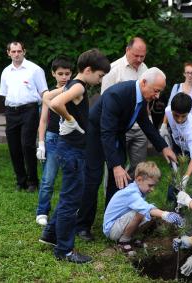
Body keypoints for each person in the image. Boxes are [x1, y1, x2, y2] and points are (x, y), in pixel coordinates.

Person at [75, 67, 177, 242]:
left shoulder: (141, 97)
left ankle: (112, 218)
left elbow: (145, 123)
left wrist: (163, 147)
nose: (157, 96)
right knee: (94, 178)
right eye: (156, 90)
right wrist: (115, 165)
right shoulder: (118, 94)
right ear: (144, 83)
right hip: (97, 135)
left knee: (119, 179)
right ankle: (83, 226)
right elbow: (106, 131)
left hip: (116, 134)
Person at [39, 49, 111, 264]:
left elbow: (46, 96)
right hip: (73, 152)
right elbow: (54, 104)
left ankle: (50, 235)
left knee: (68, 197)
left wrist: (66, 116)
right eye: (99, 76)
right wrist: (69, 119)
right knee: (72, 201)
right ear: (88, 70)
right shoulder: (78, 85)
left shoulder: (70, 84)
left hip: (67, 148)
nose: (100, 81)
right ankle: (65, 250)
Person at [103, 161, 184, 256]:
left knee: (148, 213)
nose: (152, 189)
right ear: (139, 179)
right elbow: (145, 208)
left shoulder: (138, 191)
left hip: (118, 225)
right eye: (150, 185)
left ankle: (129, 237)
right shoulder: (131, 193)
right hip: (111, 229)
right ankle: (123, 242)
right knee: (142, 212)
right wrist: (165, 214)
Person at [0, 41, 48, 192]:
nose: (16, 54)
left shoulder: (35, 70)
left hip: (29, 110)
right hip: (11, 112)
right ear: (8, 53)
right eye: (13, 52)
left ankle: (33, 182)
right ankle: (21, 182)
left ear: (24, 52)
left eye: (19, 51)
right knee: (14, 147)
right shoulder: (6, 71)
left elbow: (44, 92)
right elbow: (5, 94)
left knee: (27, 145)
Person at [101, 37, 149, 179]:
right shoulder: (113, 70)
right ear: (127, 50)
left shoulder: (145, 69)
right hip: (119, 127)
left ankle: (132, 195)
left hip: (140, 126)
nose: (140, 59)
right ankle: (115, 197)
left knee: (139, 168)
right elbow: (105, 102)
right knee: (115, 166)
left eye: (143, 56)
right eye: (136, 55)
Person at [35, 57, 73, 226]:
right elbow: (43, 120)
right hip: (52, 138)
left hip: (70, 139)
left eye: (67, 73)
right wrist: (41, 143)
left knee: (70, 178)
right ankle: (42, 211)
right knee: (48, 178)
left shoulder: (74, 91)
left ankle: (67, 210)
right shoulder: (49, 94)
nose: (64, 77)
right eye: (60, 74)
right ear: (53, 74)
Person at [163, 93, 192, 190]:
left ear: (189, 112)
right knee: (175, 175)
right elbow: (167, 112)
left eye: (183, 116)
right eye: (176, 115)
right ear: (172, 111)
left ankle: (190, 201)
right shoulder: (169, 110)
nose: (179, 119)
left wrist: (186, 177)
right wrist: (164, 125)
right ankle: (172, 201)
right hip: (178, 143)